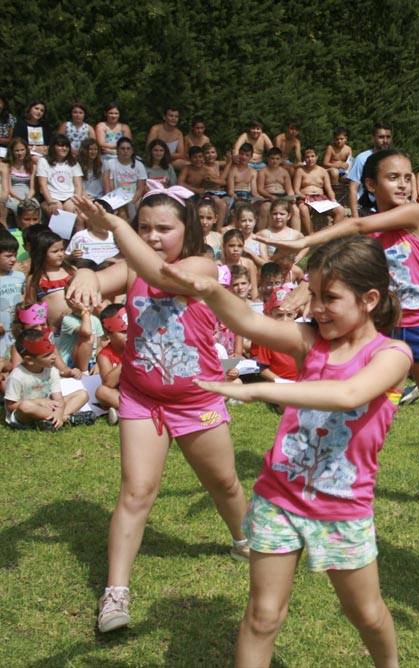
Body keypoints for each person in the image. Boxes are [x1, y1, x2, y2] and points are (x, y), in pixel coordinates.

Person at [161, 235, 410, 668]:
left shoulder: (393, 354)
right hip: (278, 496)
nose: (315, 308)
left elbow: (351, 394)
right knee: (262, 616)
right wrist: (211, 291)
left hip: (342, 507)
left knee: (367, 615)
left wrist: (265, 390)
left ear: (370, 299)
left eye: (329, 298)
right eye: (312, 295)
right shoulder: (309, 340)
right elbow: (246, 321)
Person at [67, 185, 250, 632]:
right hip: (141, 398)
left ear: (186, 230)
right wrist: (89, 275)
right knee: (136, 492)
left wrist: (115, 226)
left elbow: (168, 279)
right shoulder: (132, 268)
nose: (150, 236)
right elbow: (113, 274)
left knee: (224, 483)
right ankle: (116, 594)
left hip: (197, 398)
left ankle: (245, 539)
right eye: (143, 227)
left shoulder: (201, 265)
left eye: (162, 229)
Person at [258, 149, 419, 515]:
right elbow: (339, 260)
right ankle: (325, 474)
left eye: (408, 177)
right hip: (382, 334)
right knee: (354, 412)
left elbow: (357, 227)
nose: (404, 184)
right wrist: (303, 287)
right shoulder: (369, 235)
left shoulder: (415, 214)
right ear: (371, 184)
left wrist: (303, 242)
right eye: (394, 178)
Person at [5, 328, 92, 429]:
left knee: (82, 394)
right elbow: (11, 407)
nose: (54, 357)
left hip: (48, 407)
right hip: (25, 416)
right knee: (25, 406)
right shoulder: (17, 377)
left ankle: (52, 420)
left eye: (53, 352)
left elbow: (58, 398)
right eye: (47, 355)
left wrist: (58, 412)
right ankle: (67, 418)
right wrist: (39, 402)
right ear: (29, 360)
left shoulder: (51, 370)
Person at [347, 123, 393, 218]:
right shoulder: (362, 159)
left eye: (388, 137)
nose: (385, 141)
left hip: (388, 211)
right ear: (373, 138)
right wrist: (355, 217)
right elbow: (353, 188)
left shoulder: (394, 159)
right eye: (381, 137)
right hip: (366, 211)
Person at [294, 146, 343, 234]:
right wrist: (305, 198)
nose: (310, 159)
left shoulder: (322, 171)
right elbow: (296, 190)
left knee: (340, 209)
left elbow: (329, 189)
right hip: (305, 198)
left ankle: (333, 235)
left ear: (316, 157)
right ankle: (311, 234)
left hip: (320, 198)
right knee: (303, 209)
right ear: (304, 158)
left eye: (312, 156)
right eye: (307, 157)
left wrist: (333, 199)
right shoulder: (300, 171)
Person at [95, 302, 126, 424]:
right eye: (123, 332)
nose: (128, 336)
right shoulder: (104, 355)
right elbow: (108, 383)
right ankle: (129, 411)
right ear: (108, 333)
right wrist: (127, 358)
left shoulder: (141, 348)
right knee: (102, 392)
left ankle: (123, 413)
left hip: (141, 393)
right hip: (120, 395)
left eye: (131, 331)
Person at [36, 134, 83, 216]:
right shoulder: (43, 161)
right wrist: (50, 202)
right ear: (53, 147)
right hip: (52, 196)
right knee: (58, 212)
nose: (64, 149)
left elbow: (78, 185)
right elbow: (42, 184)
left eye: (66, 146)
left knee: (74, 212)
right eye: (60, 146)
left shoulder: (73, 163)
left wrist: (77, 201)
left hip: (70, 196)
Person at [103, 137, 147, 219]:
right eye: (122, 149)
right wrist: (120, 203)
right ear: (117, 150)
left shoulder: (139, 165)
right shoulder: (110, 163)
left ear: (132, 150)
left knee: (136, 208)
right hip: (117, 197)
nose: (125, 151)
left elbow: (140, 188)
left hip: (134, 197)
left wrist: (132, 201)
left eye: (128, 148)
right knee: (122, 214)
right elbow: (110, 186)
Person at [0, 229, 25, 360]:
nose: (13, 259)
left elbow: (24, 299)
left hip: (17, 330)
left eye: (15, 255)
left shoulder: (19, 277)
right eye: (8, 256)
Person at [4, 138, 36, 219]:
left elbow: (32, 188)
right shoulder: (7, 166)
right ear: (12, 152)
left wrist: (28, 199)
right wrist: (21, 200)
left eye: (22, 150)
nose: (20, 153)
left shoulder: (32, 166)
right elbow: (9, 189)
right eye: (17, 150)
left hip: (28, 194)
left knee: (36, 206)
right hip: (14, 195)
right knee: (17, 207)